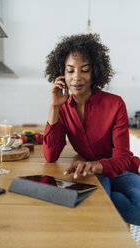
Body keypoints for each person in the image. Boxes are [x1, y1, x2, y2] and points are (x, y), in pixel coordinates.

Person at [43, 33, 140, 225]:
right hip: (89, 172)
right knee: (96, 206)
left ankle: (107, 210)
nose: (76, 78)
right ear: (62, 73)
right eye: (70, 71)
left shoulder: (115, 104)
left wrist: (96, 165)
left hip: (120, 169)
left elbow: (122, 158)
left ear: (95, 72)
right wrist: (54, 107)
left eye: (84, 70)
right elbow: (51, 155)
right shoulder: (62, 108)